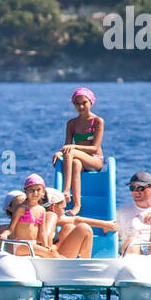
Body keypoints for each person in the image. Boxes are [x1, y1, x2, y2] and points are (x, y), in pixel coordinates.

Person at [53, 86, 105, 216]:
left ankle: (65, 191)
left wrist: (74, 147)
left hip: (94, 160)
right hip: (78, 159)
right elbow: (67, 146)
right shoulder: (72, 123)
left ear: (91, 102)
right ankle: (77, 205)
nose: (80, 107)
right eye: (77, 104)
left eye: (84, 103)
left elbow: (94, 148)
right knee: (75, 163)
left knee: (71, 153)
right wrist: (59, 153)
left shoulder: (97, 121)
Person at [42, 187, 117, 258]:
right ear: (53, 207)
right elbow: (46, 246)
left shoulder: (42, 215)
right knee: (84, 229)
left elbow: (75, 220)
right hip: (52, 259)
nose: (63, 212)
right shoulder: (51, 216)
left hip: (53, 255)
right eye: (63, 208)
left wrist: (104, 224)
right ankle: (85, 265)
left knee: (69, 227)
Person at [0, 174, 57, 257]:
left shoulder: (42, 210)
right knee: (53, 255)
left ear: (43, 191)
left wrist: (46, 245)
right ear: (25, 191)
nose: (35, 193)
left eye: (38, 190)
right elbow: (10, 229)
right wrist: (4, 234)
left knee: (52, 251)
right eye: (31, 190)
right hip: (21, 245)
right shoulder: (21, 208)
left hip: (33, 244)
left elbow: (43, 232)